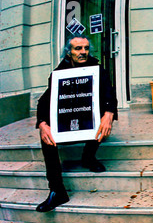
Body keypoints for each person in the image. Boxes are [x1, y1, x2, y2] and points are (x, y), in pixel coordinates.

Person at [35, 35, 118, 213]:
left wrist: (109, 114)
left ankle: (88, 157)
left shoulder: (97, 69)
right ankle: (57, 190)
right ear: (69, 52)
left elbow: (109, 94)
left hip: (88, 116)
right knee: (46, 137)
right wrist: (42, 124)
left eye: (86, 48)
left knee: (102, 120)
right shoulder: (58, 73)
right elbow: (44, 101)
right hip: (66, 117)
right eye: (78, 49)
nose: (83, 52)